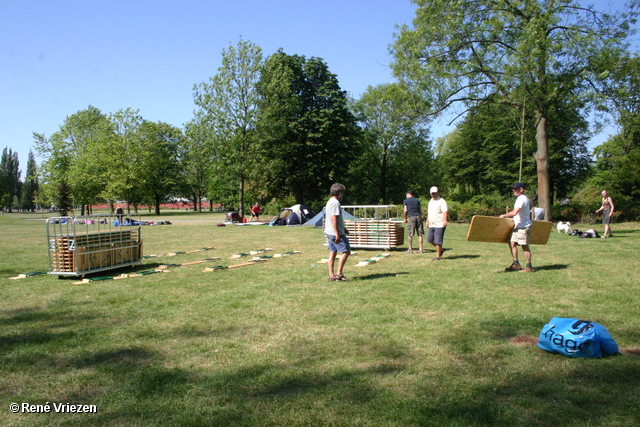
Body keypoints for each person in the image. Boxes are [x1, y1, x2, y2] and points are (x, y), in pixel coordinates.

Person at [500, 182, 533, 273]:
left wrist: (504, 215)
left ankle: (529, 267)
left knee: (524, 246)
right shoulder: (525, 198)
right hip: (518, 225)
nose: (513, 190)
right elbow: (531, 206)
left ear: (521, 189)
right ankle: (516, 264)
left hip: (524, 226)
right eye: (513, 188)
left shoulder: (521, 199)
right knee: (512, 243)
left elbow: (514, 212)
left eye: (515, 189)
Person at [324, 183, 350, 281]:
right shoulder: (335, 202)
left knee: (333, 253)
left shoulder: (330, 201)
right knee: (346, 251)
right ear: (338, 192)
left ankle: (331, 276)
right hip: (335, 233)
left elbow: (336, 218)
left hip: (329, 232)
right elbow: (333, 218)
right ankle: (339, 274)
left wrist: (343, 228)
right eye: (342, 192)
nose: (342, 194)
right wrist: (338, 233)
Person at [426, 186, 448, 260]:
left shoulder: (442, 201)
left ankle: (438, 256)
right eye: (432, 193)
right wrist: (427, 220)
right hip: (431, 224)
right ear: (430, 193)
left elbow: (445, 211)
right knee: (430, 240)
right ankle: (441, 250)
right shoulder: (430, 201)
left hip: (439, 224)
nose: (433, 194)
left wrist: (445, 220)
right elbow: (429, 212)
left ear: (438, 193)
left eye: (435, 193)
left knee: (438, 241)